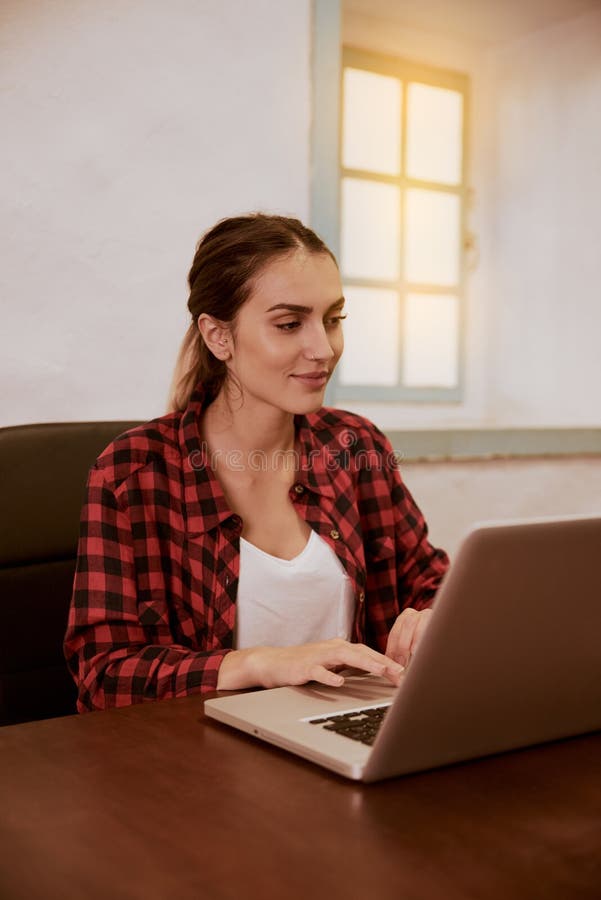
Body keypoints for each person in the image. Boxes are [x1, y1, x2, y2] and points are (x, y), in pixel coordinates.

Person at [64, 213, 449, 712]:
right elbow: (104, 673)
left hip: (347, 736)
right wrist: (260, 664)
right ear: (218, 336)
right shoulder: (132, 473)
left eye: (333, 319)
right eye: (290, 324)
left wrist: (434, 615)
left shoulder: (356, 447)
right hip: (195, 763)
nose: (323, 348)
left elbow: (432, 582)